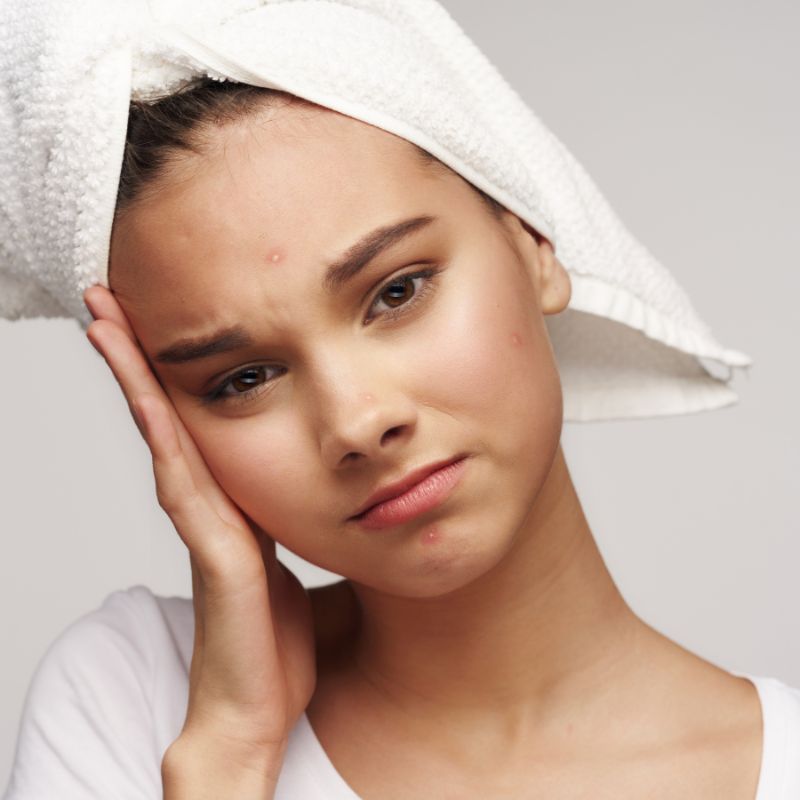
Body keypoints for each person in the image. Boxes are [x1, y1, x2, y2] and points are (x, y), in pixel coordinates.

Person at [2, 2, 798, 799]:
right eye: (243, 378)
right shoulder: (135, 703)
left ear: (531, 242)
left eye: (396, 291)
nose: (357, 422)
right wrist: (232, 754)